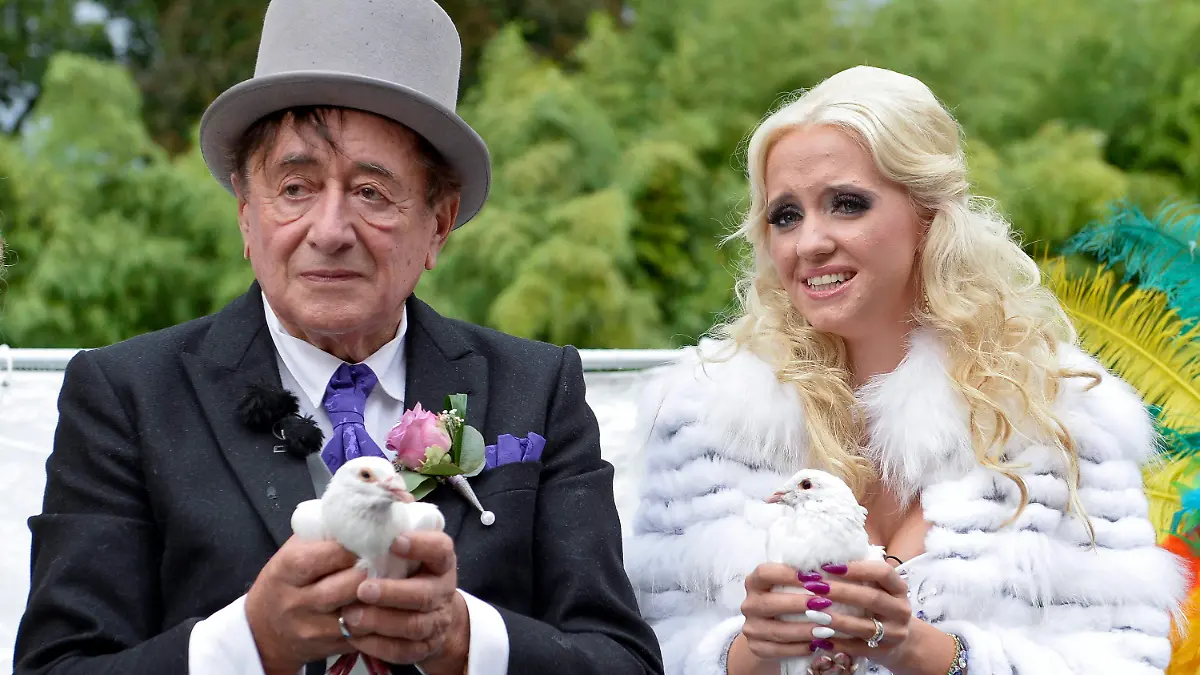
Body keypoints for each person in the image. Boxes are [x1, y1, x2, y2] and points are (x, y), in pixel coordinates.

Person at [13, 1, 662, 674]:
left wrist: (469, 639)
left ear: (438, 224)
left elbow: (624, 660)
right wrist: (246, 642)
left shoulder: (537, 389)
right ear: (245, 213)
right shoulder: (128, 398)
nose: (329, 230)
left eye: (372, 194)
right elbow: (58, 665)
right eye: (295, 187)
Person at [623, 65, 1188, 675]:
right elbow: (640, 651)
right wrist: (749, 652)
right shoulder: (705, 417)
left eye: (846, 205)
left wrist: (922, 651)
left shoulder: (1055, 412)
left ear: (928, 215)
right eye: (785, 215)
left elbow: (1127, 657)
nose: (809, 242)